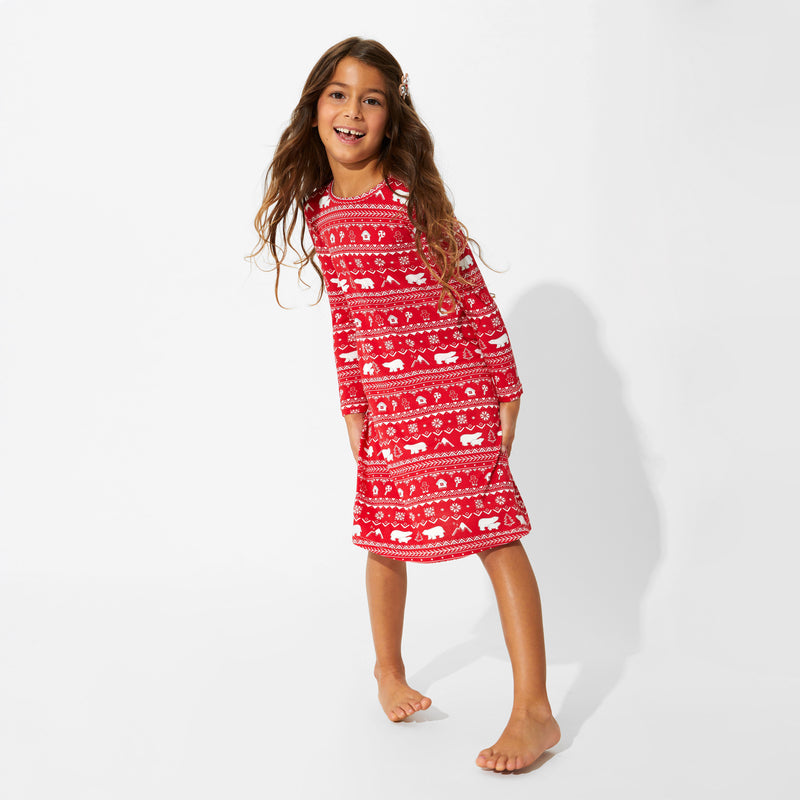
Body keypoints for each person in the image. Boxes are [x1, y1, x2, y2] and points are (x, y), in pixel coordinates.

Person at [250, 36, 561, 773]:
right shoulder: (321, 210)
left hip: (457, 393)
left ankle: (534, 710)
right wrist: (352, 401)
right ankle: (388, 672)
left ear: (392, 117)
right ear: (315, 107)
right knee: (383, 539)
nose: (353, 111)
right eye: (339, 94)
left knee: (496, 535)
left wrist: (506, 384)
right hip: (387, 404)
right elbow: (348, 316)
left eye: (372, 99)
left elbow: (471, 292)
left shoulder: (406, 197)